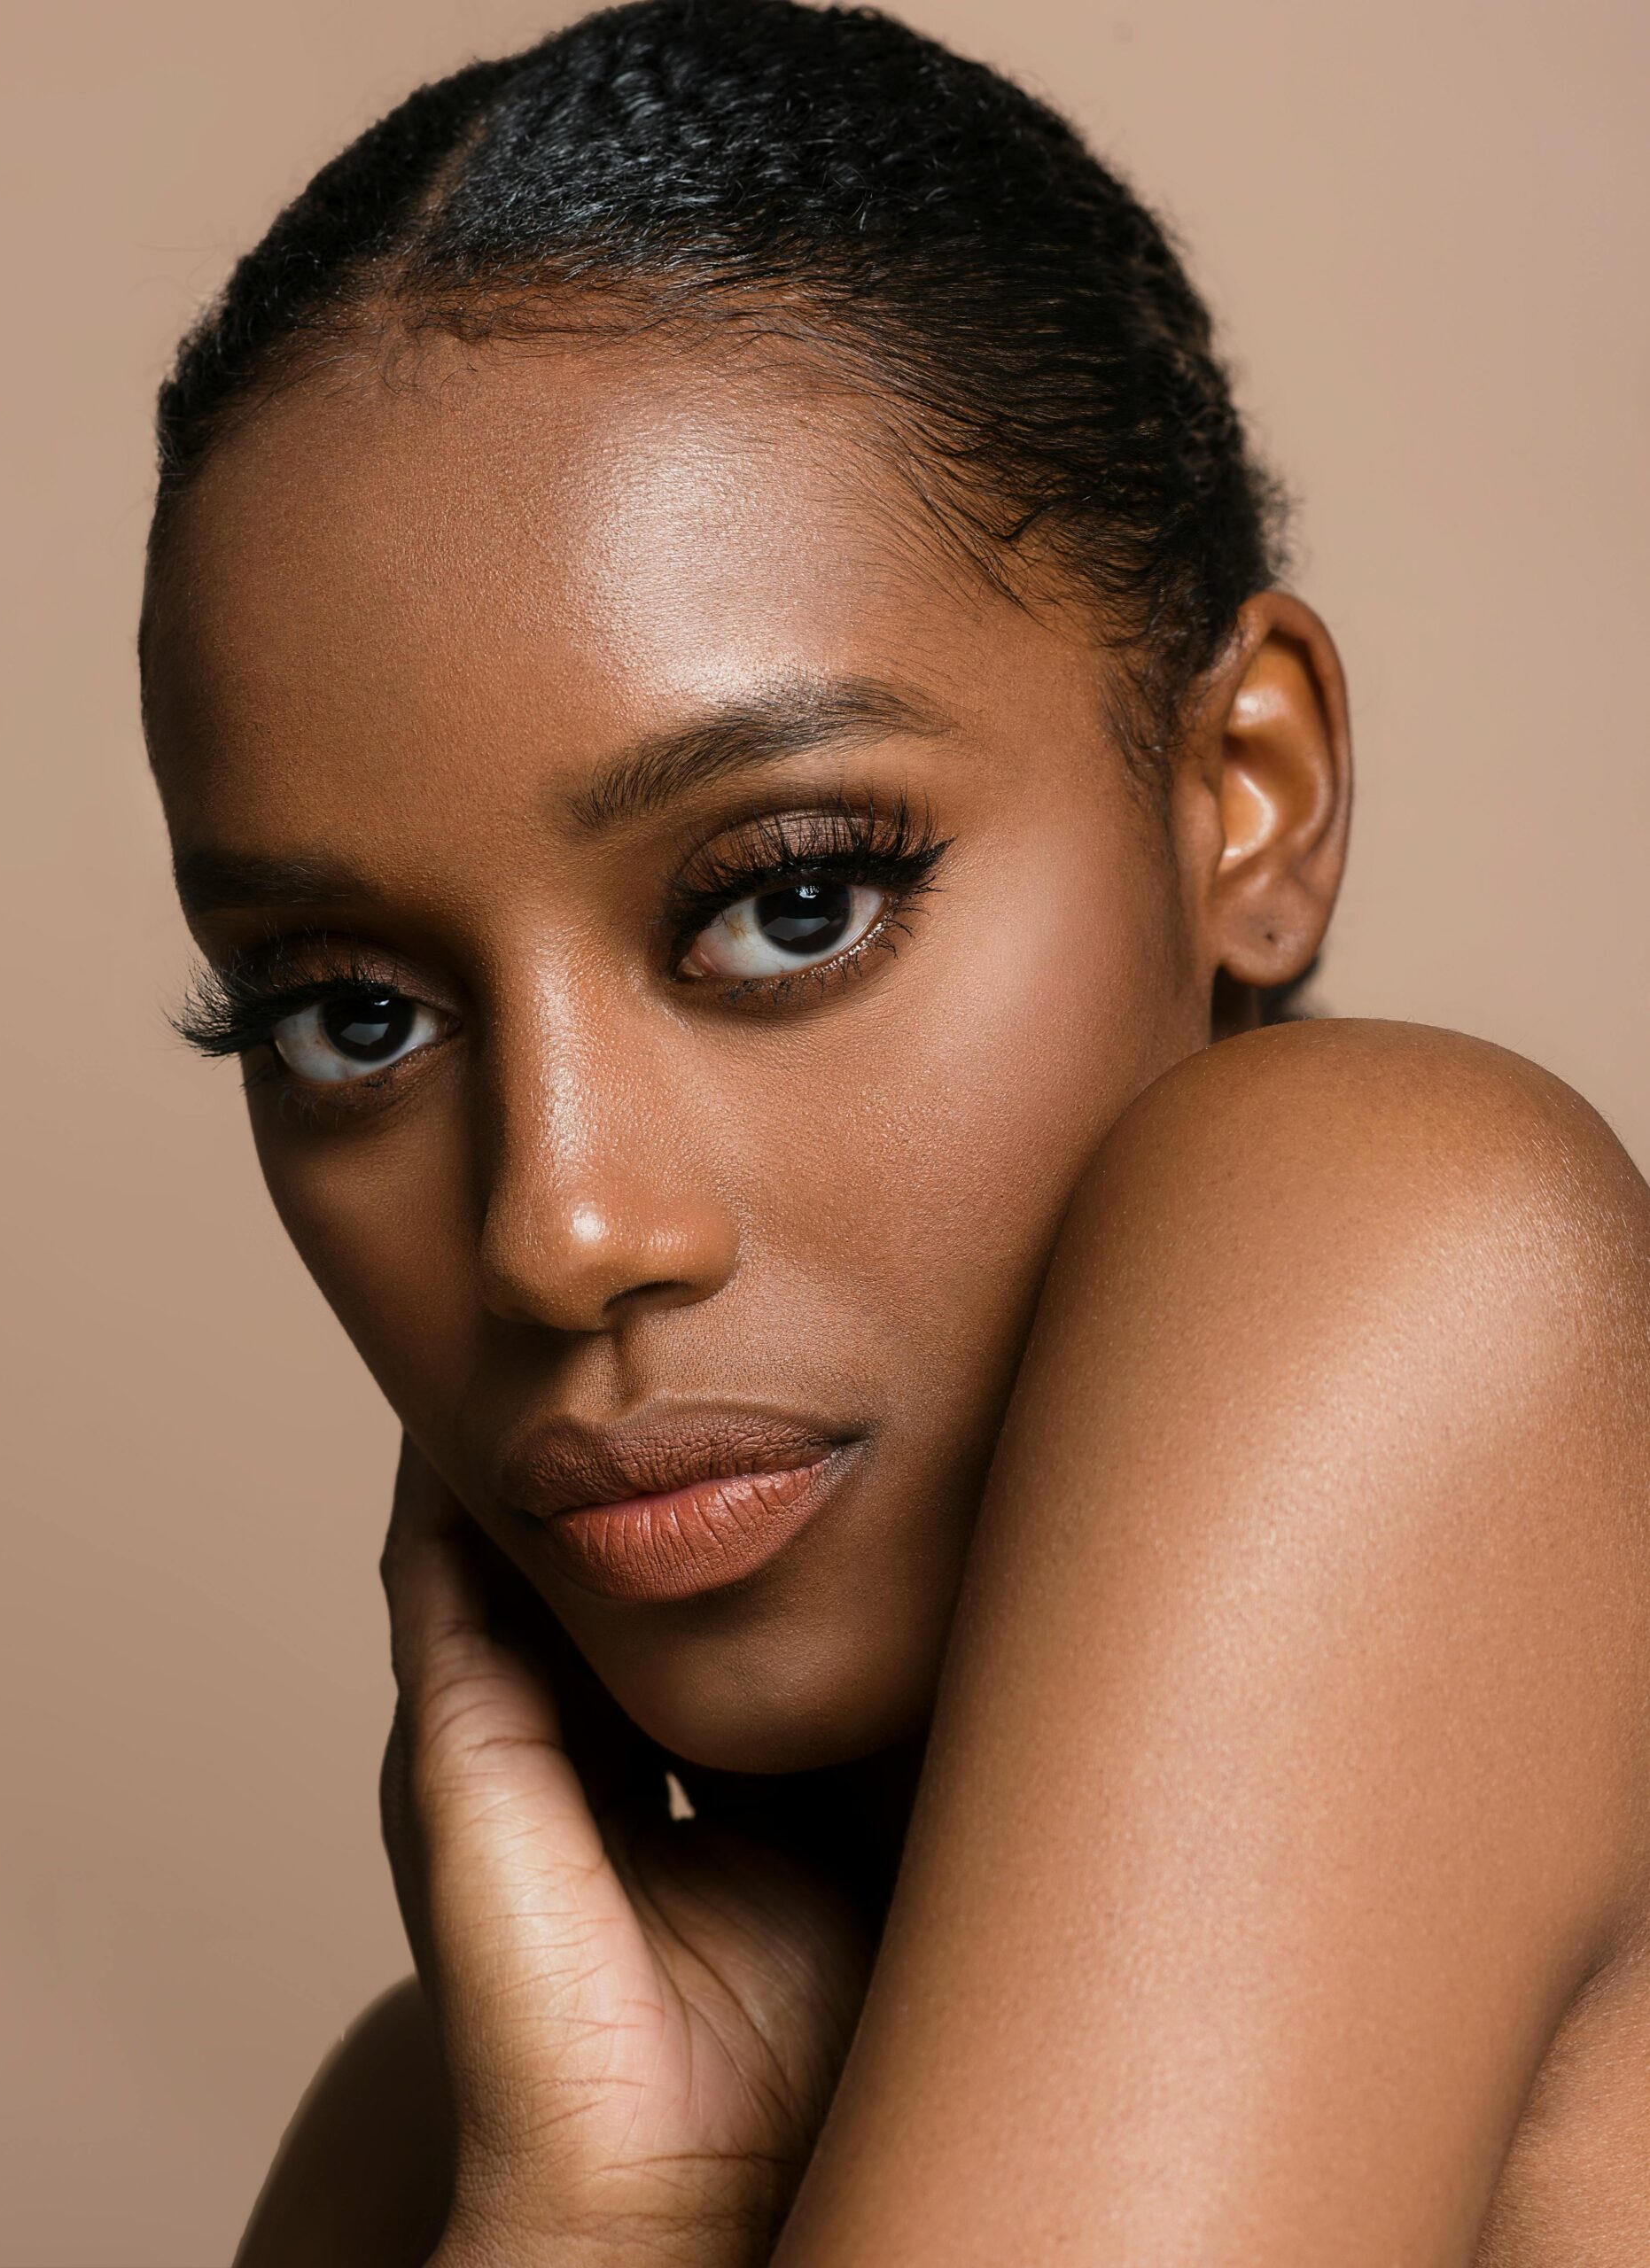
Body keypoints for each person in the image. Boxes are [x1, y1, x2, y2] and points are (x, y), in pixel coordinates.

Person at [137, 3, 1650, 2261]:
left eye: (790, 899)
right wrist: (595, 2205)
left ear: (1246, 788)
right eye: (353, 1018)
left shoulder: (1392, 1244)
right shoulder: (462, 2123)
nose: (555, 1229)